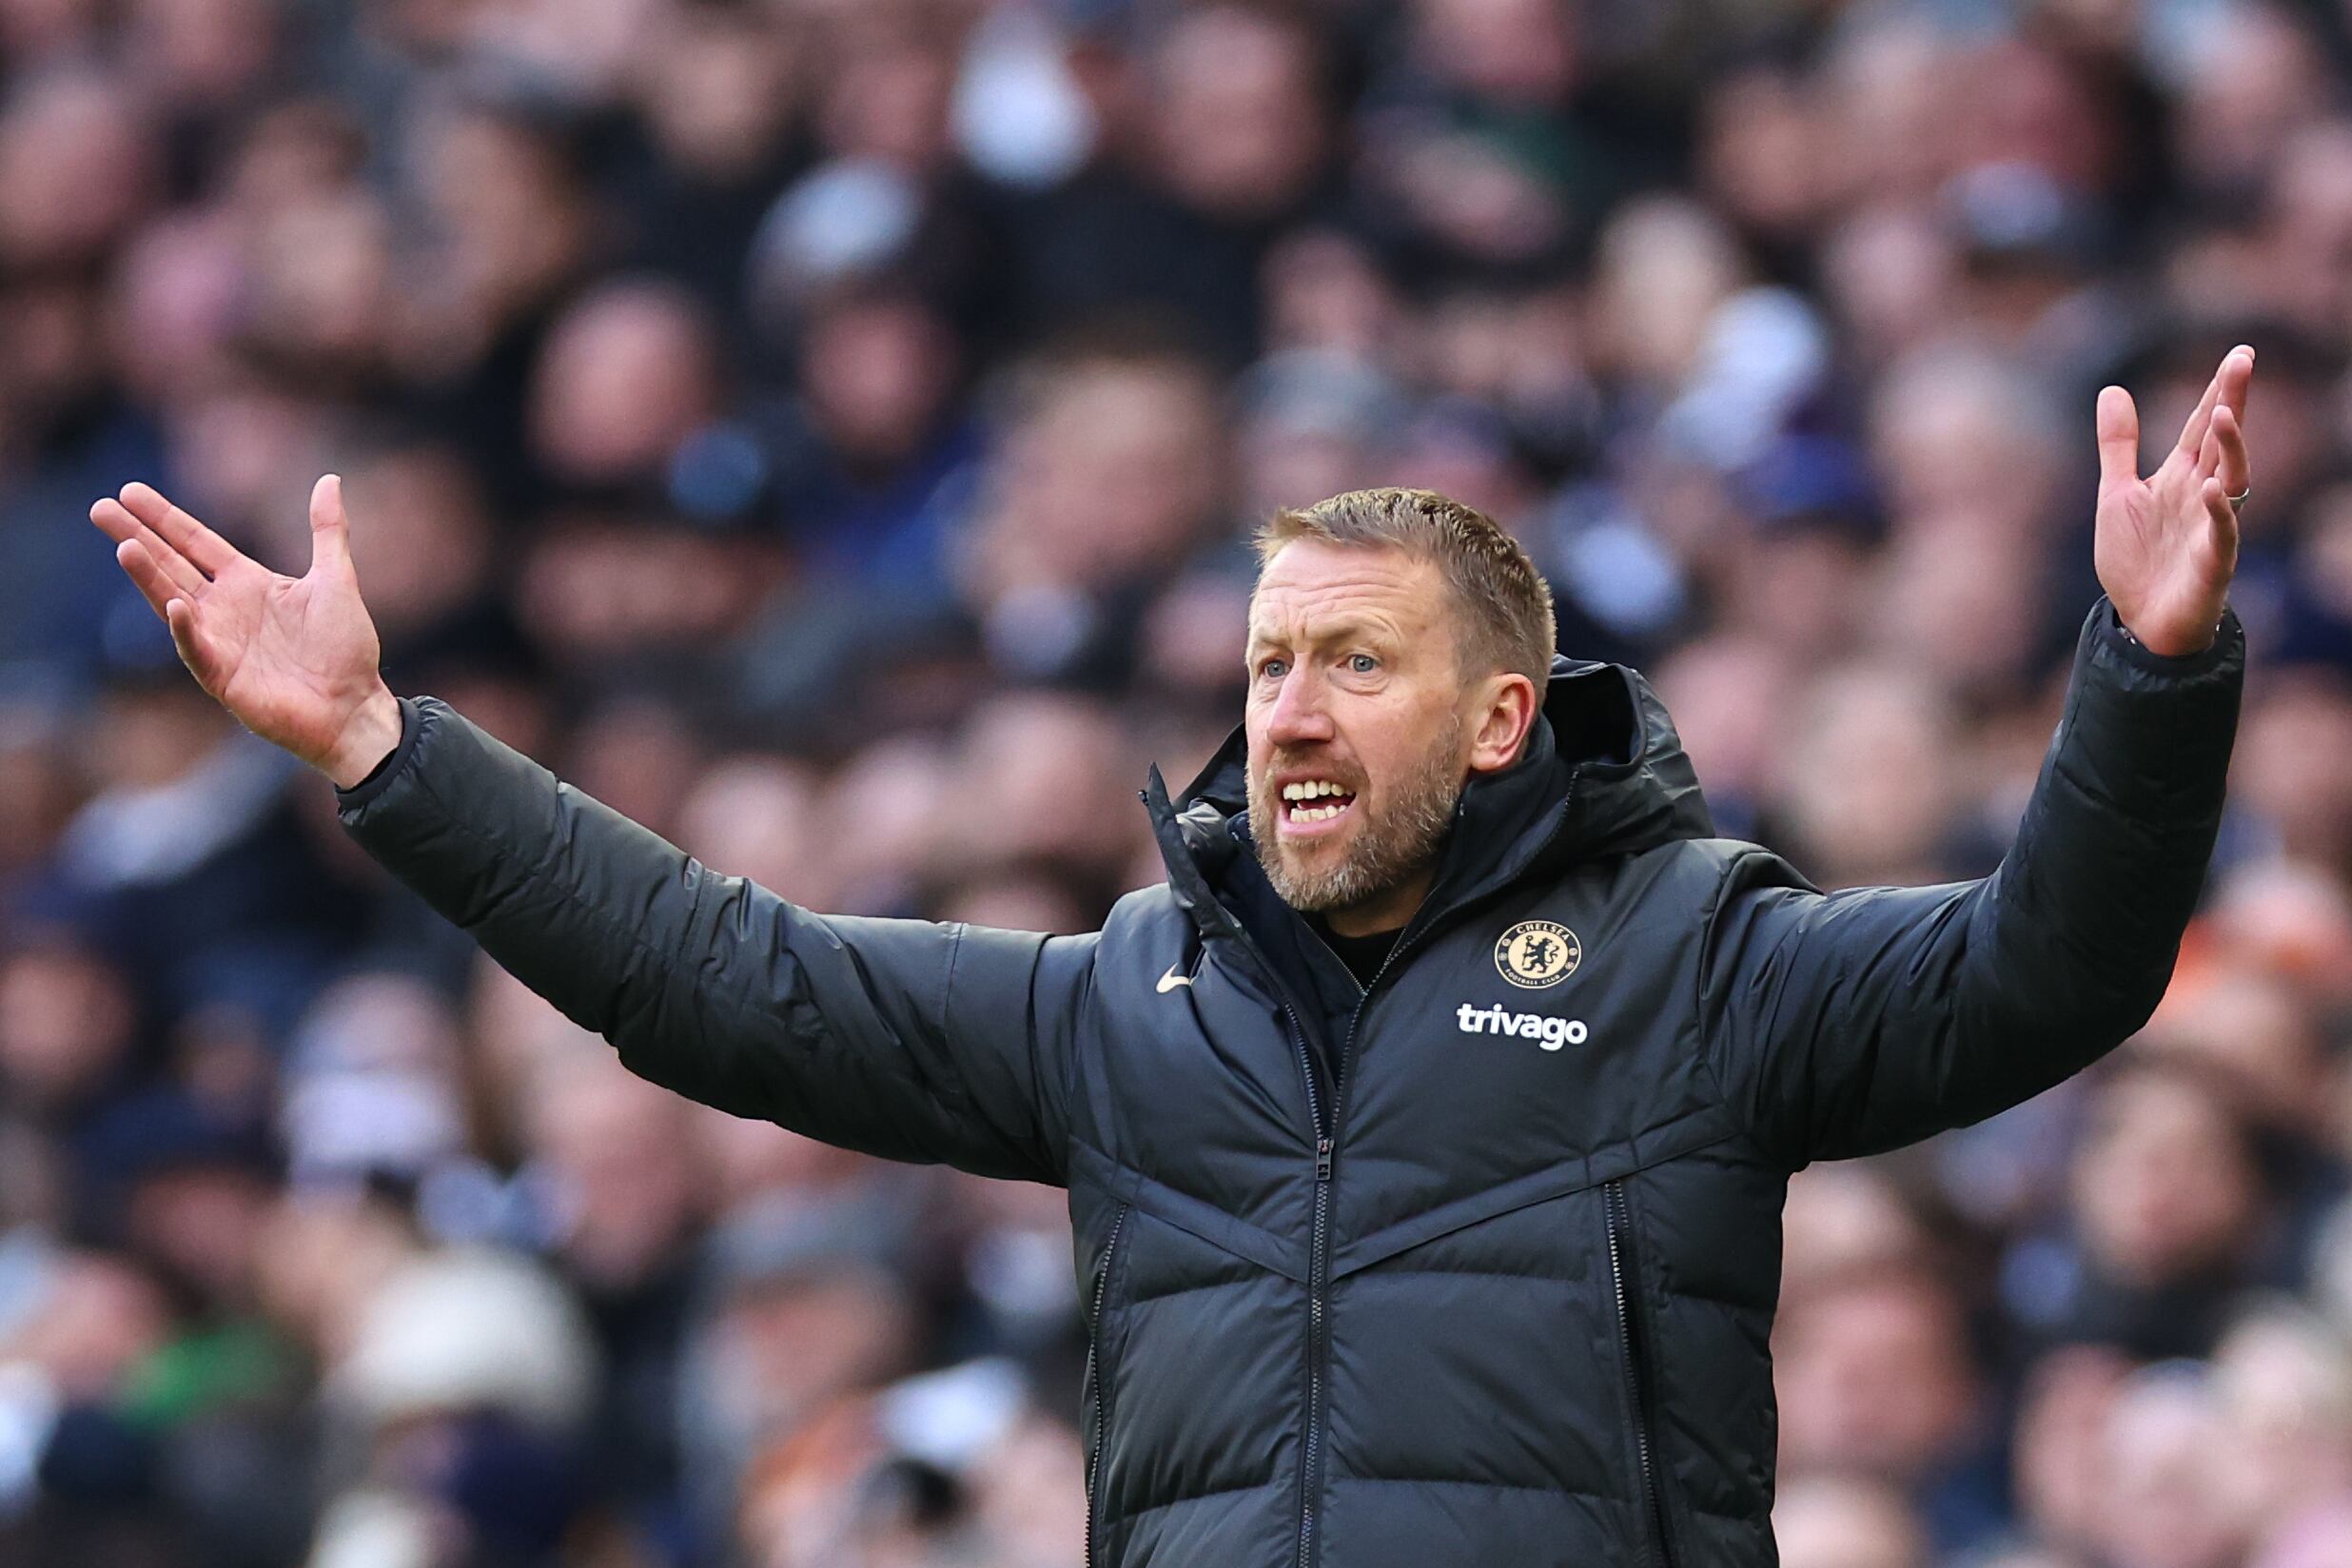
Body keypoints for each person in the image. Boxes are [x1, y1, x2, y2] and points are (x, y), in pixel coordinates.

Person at [87, 346, 2256, 1565]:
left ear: (1505, 716)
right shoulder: (1126, 998)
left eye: (1352, 665)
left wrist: (2150, 673)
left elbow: (2043, 973)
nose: (1285, 712)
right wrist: (383, 746)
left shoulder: (1699, 952)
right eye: (1267, 662)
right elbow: (719, 976)